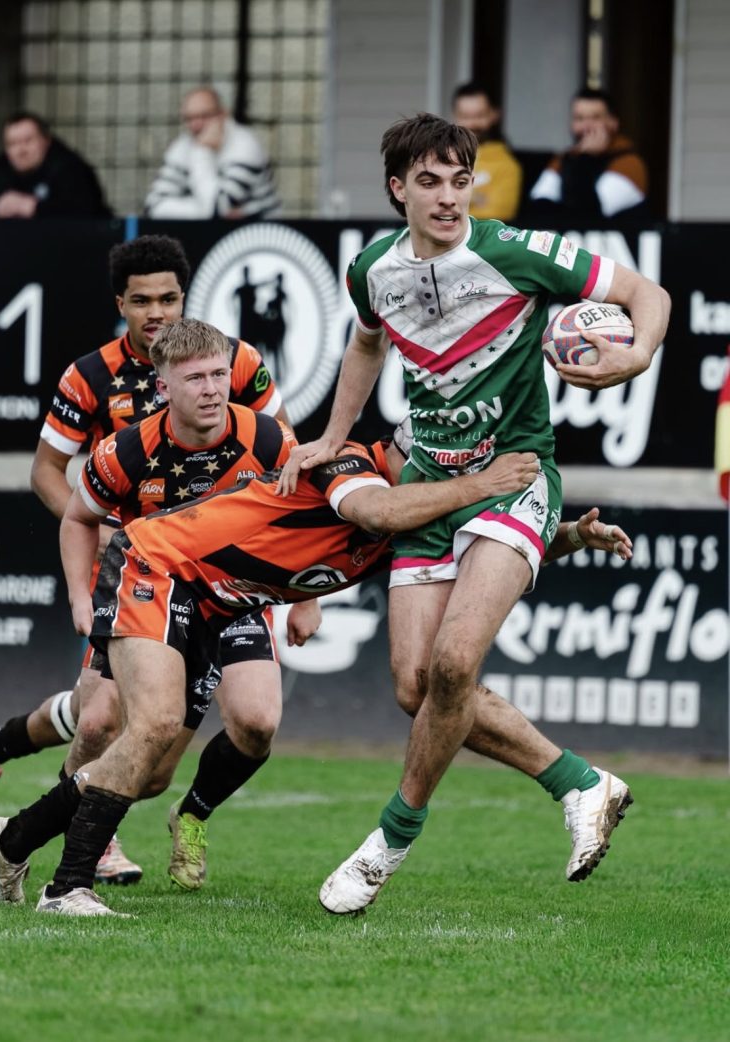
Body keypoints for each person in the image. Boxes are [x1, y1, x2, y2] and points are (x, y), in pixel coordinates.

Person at [0, 423, 631, 916]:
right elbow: (377, 509)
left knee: (170, 759)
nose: (433, 482)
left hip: (217, 604)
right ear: (403, 453)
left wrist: (572, 536)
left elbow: (477, 542)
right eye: (427, 467)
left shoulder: (411, 515)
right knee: (152, 726)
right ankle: (67, 887)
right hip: (159, 564)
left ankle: (12, 841)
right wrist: (482, 482)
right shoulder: (349, 463)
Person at [278, 112, 670, 914]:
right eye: (430, 182)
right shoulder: (372, 270)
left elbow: (646, 293)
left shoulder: (513, 251)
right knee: (416, 688)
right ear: (398, 189)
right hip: (431, 485)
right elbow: (365, 344)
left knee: (455, 665)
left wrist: (636, 354)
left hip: (516, 478)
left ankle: (389, 841)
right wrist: (333, 438)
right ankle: (582, 785)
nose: (449, 197)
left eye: (461, 180)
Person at [0, 235, 291, 882]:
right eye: (142, 301)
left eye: (169, 298)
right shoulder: (91, 377)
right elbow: (48, 473)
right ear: (121, 304)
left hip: (222, 576)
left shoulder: (232, 362)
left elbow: (286, 461)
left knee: (194, 740)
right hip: (134, 570)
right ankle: (75, 842)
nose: (157, 313)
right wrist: (104, 531)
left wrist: (298, 587)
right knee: (101, 720)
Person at [144, 86, 279, 220]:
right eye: (189, 118)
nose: (196, 125)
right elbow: (153, 206)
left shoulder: (244, 145)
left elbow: (218, 209)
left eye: (204, 116)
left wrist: (202, 153)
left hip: (259, 230)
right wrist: (206, 211)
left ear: (223, 115)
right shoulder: (182, 146)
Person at [528, 87, 649, 222]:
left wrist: (586, 158)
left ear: (613, 123)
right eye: (579, 118)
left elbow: (588, 215)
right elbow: (539, 206)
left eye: (595, 118)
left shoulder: (630, 163)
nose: (586, 126)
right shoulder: (565, 158)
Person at [0, 111, 111, 219]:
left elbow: (85, 211)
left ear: (46, 141)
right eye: (12, 143)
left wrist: (34, 208)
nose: (21, 150)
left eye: (28, 141)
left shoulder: (70, 168)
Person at [452, 82, 522, 222]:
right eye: (464, 116)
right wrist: (476, 199)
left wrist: (454, 198)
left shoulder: (507, 165)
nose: (471, 124)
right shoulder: (440, 159)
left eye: (479, 116)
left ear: (494, 114)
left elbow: (498, 216)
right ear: (454, 116)